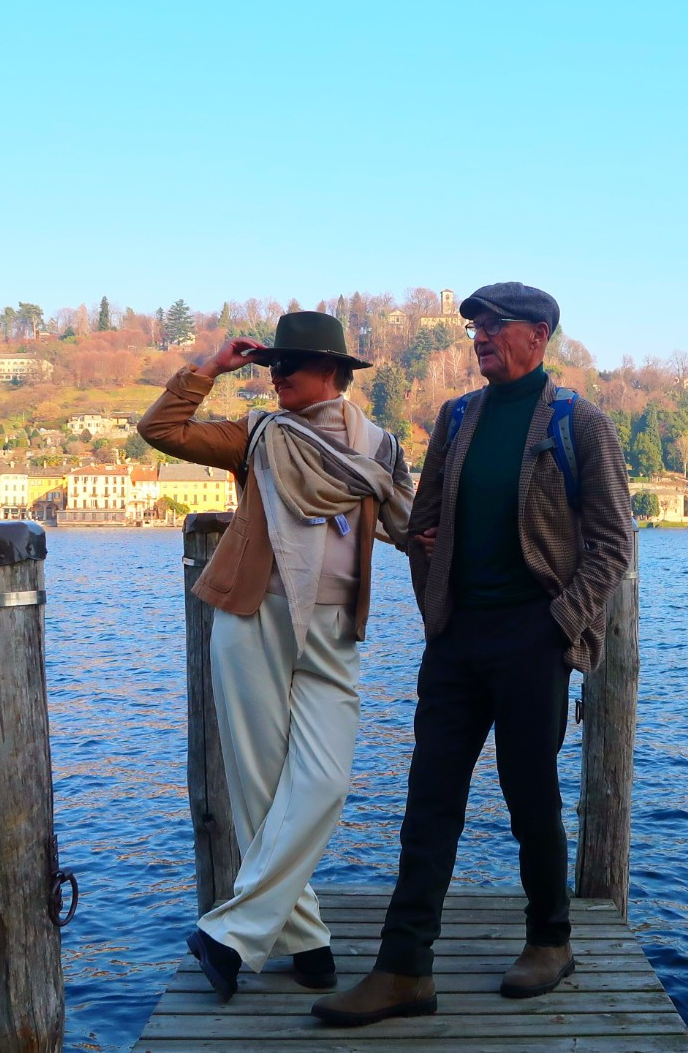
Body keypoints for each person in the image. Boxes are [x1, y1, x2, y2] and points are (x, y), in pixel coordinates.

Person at [312, 282, 633, 1025]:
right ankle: (403, 968)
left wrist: (562, 623)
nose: (480, 337)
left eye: (495, 326)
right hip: (457, 640)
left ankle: (551, 940)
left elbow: (614, 542)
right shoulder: (456, 419)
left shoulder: (578, 424)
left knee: (530, 798)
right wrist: (432, 595)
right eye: (476, 328)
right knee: (429, 802)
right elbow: (420, 521)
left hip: (534, 637)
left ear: (539, 336)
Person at [137, 309, 413, 1001]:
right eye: (271, 365)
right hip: (253, 612)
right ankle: (307, 938)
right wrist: (210, 369)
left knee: (323, 780)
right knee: (259, 785)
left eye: (290, 365)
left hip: (335, 625)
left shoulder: (378, 447)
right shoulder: (258, 433)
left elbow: (414, 525)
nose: (278, 375)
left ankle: (229, 935)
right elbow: (160, 431)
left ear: (333, 372)